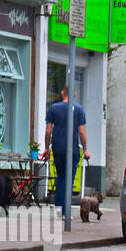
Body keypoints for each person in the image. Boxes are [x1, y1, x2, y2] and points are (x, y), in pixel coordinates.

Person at [42, 85, 89, 216]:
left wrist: (46, 148)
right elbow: (81, 131)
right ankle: (65, 213)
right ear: (74, 94)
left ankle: (59, 211)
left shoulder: (53, 108)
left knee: (61, 179)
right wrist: (85, 149)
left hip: (57, 149)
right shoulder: (79, 109)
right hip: (72, 150)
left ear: (63, 93)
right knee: (69, 181)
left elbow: (48, 130)